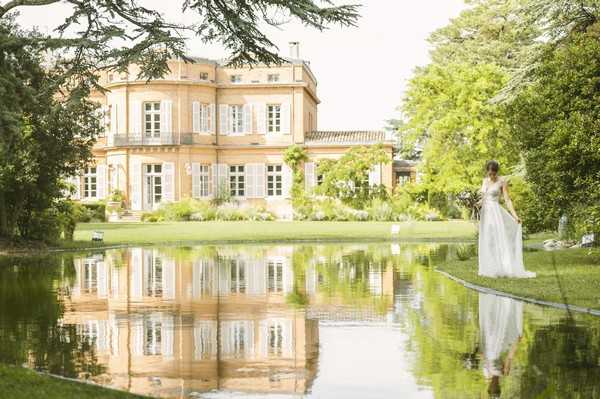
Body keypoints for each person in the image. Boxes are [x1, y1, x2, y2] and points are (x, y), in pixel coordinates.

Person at [478, 160, 535, 278]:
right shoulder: (484, 181)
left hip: (495, 212)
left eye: (493, 173)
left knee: (497, 238)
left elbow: (507, 200)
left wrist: (515, 216)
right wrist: (474, 203)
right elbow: (482, 198)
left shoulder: (502, 182)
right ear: (487, 172)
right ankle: (489, 268)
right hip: (485, 214)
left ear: (496, 172)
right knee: (487, 239)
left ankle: (503, 267)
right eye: (489, 173)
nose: (491, 176)